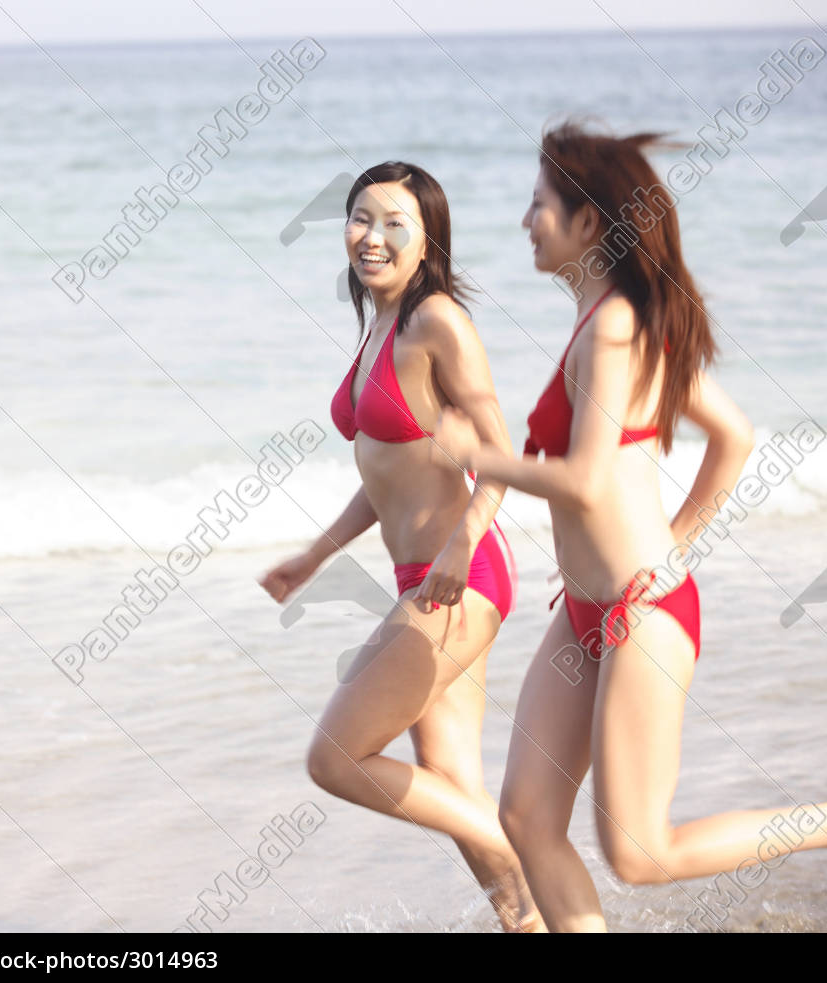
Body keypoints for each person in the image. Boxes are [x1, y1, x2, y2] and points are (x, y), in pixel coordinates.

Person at [432, 121, 827, 932]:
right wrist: (671, 541)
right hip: (586, 615)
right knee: (527, 816)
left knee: (640, 852)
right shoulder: (607, 321)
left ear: (587, 224)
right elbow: (735, 433)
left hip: (641, 616)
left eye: (538, 203)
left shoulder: (616, 325)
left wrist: (480, 453)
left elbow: (583, 480)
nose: (523, 220)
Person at [260, 162, 542, 932]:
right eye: (359, 218)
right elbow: (388, 473)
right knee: (447, 776)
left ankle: (530, 850)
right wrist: (314, 555)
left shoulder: (437, 320)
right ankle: (532, 923)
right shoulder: (380, 322)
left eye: (394, 223)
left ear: (428, 242)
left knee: (336, 758)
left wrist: (461, 544)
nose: (372, 236)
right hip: (425, 574)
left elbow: (499, 450)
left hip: (462, 576)